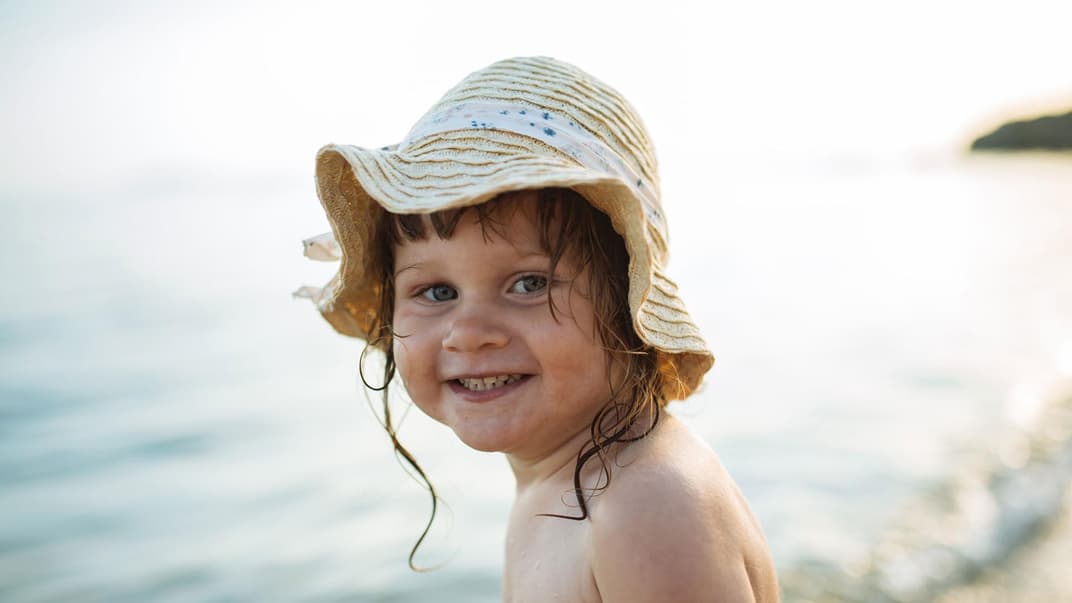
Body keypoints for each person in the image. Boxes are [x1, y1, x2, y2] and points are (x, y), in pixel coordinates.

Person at [297, 56, 778, 602]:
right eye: (437, 292)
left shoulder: (644, 508)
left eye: (528, 284)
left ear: (627, 299)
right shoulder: (572, 480)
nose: (469, 333)